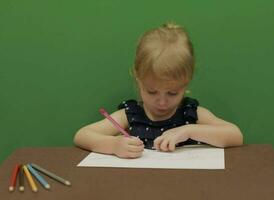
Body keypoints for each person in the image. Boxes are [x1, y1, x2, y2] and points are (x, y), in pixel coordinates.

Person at [74, 22, 243, 158]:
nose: (162, 102)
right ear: (138, 79)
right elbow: (82, 135)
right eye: (151, 92)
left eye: (172, 93)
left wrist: (189, 130)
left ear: (186, 84)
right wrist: (113, 145)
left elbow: (236, 135)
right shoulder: (131, 114)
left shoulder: (191, 114)